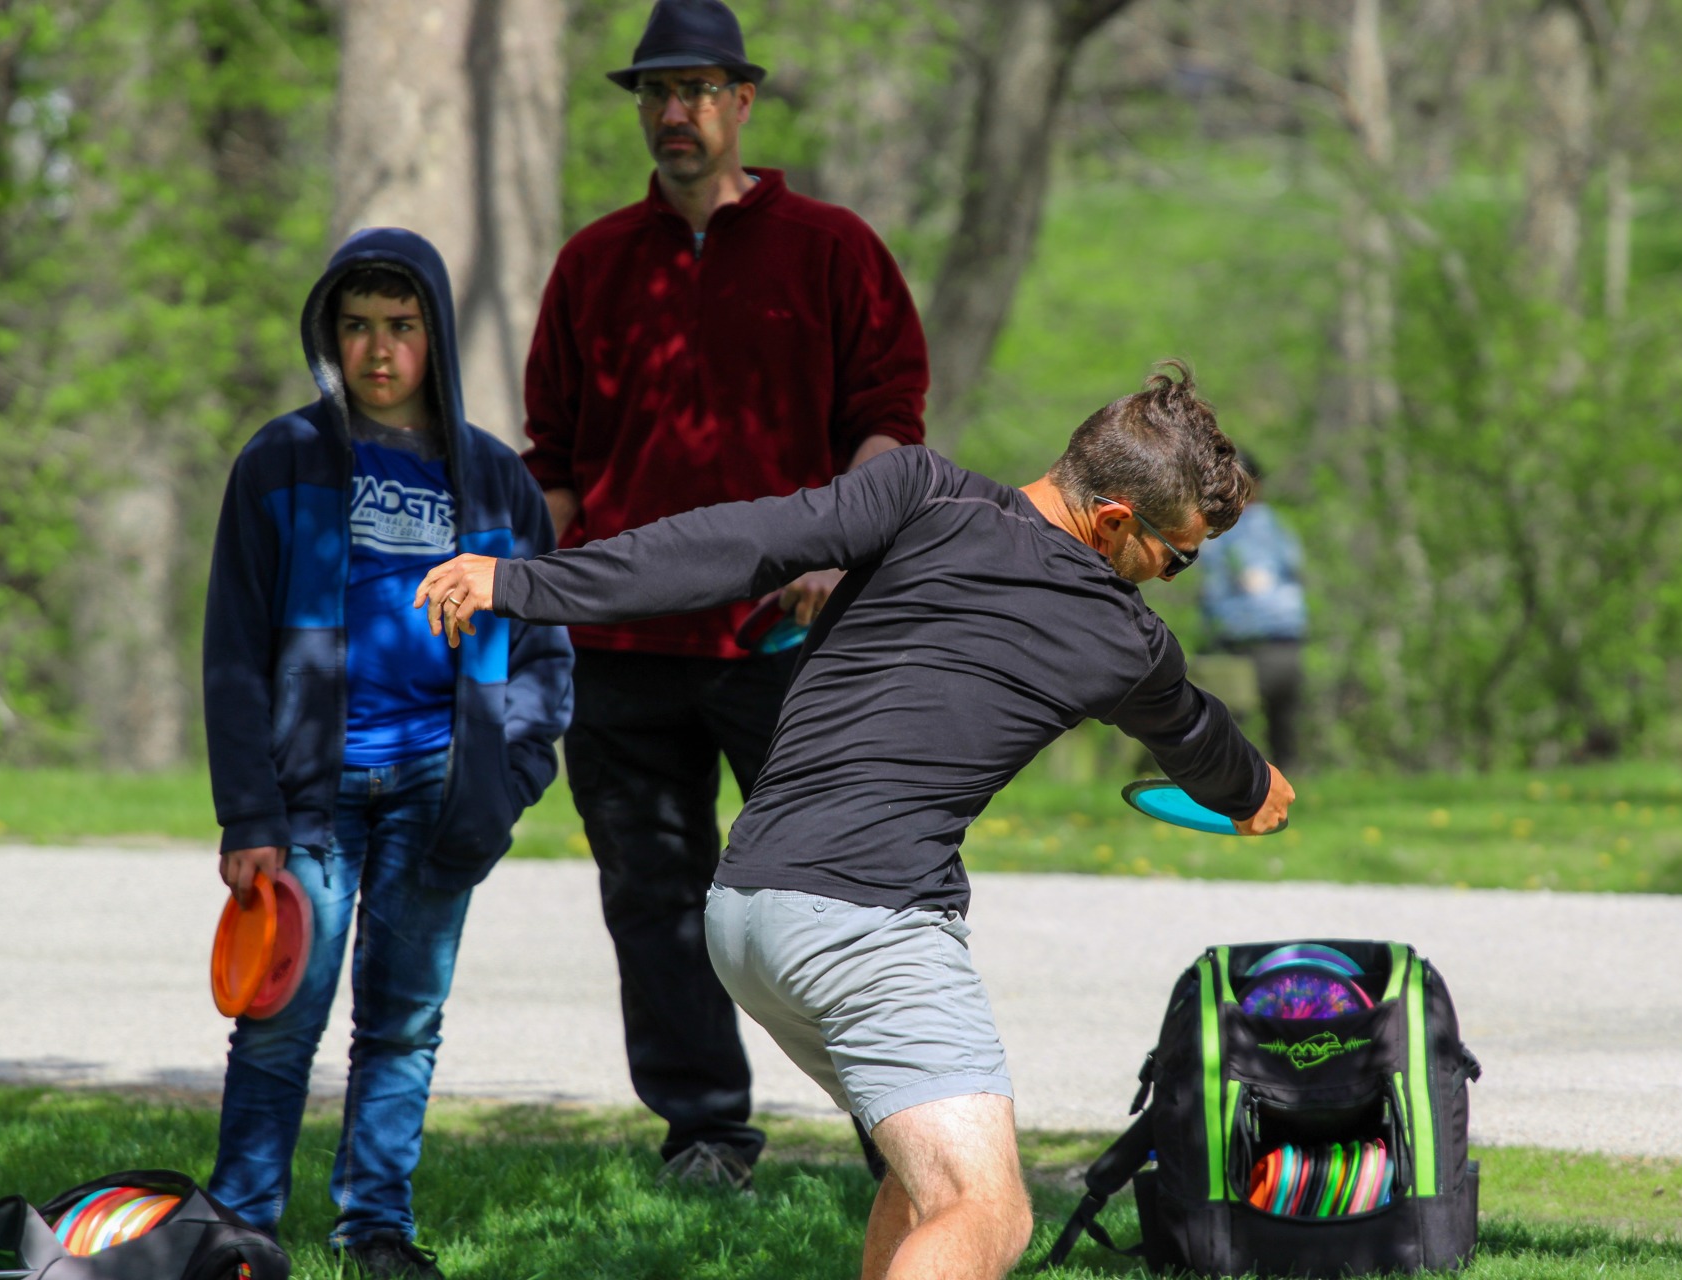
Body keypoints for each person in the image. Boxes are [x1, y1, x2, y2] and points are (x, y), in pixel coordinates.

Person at [418, 363, 1296, 1280]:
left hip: (747, 910)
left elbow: (730, 543)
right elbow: (1202, 743)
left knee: (920, 1180)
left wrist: (523, 583)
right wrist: (1257, 796)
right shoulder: (1126, 638)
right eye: (1177, 555)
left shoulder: (918, 491)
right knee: (983, 1209)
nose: (1176, 577)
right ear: (1115, 519)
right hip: (869, 924)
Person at [521, 0, 928, 1186]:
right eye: (655, 92)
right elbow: (553, 459)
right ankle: (705, 1131)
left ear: (743, 101)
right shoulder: (593, 264)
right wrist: (520, 599)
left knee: (835, 896)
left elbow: (889, 430)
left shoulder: (833, 248)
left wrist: (837, 546)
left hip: (785, 637)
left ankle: (899, 1137)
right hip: (621, 646)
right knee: (652, 900)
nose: (675, 113)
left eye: (697, 90)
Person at [202, 227, 574, 1280]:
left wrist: (508, 777)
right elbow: (231, 647)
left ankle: (375, 1224)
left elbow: (544, 647)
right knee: (281, 1015)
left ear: (436, 336)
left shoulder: (498, 484)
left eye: (401, 326)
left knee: (405, 1020)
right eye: (357, 325)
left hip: (441, 784)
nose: (377, 348)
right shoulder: (279, 462)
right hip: (306, 794)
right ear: (329, 334)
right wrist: (249, 812)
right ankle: (240, 1224)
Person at [1196, 451, 1307, 768]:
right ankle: (1290, 789)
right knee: (1284, 732)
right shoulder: (1279, 528)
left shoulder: (1223, 534)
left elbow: (1213, 592)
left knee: (1227, 728)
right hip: (1289, 639)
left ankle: (1236, 792)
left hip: (1243, 642)